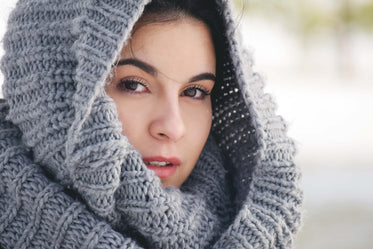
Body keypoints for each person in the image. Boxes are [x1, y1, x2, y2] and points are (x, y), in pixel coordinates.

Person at [0, 0, 303, 248]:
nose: (173, 127)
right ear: (54, 92)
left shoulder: (245, 224)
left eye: (195, 92)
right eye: (134, 85)